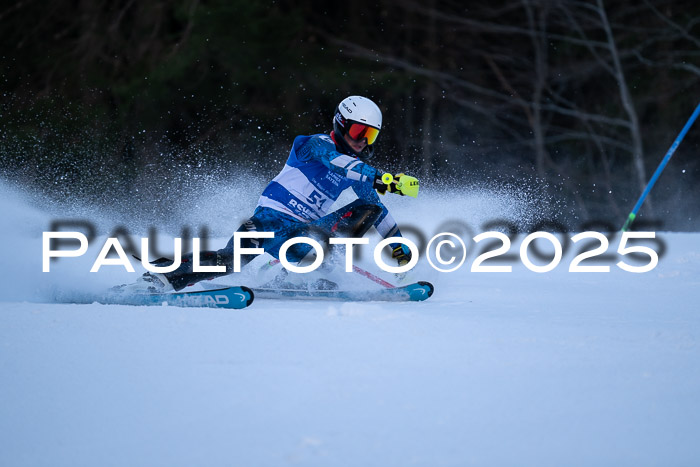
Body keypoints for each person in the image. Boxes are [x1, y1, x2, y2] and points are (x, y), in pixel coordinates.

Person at [140, 95, 418, 292]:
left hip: (304, 233)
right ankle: (164, 277)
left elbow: (374, 204)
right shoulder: (313, 145)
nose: (362, 142)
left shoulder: (357, 170)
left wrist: (398, 247)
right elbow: (337, 162)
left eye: (370, 136)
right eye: (359, 132)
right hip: (269, 221)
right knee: (229, 261)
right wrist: (383, 177)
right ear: (340, 124)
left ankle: (294, 276)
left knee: (370, 208)